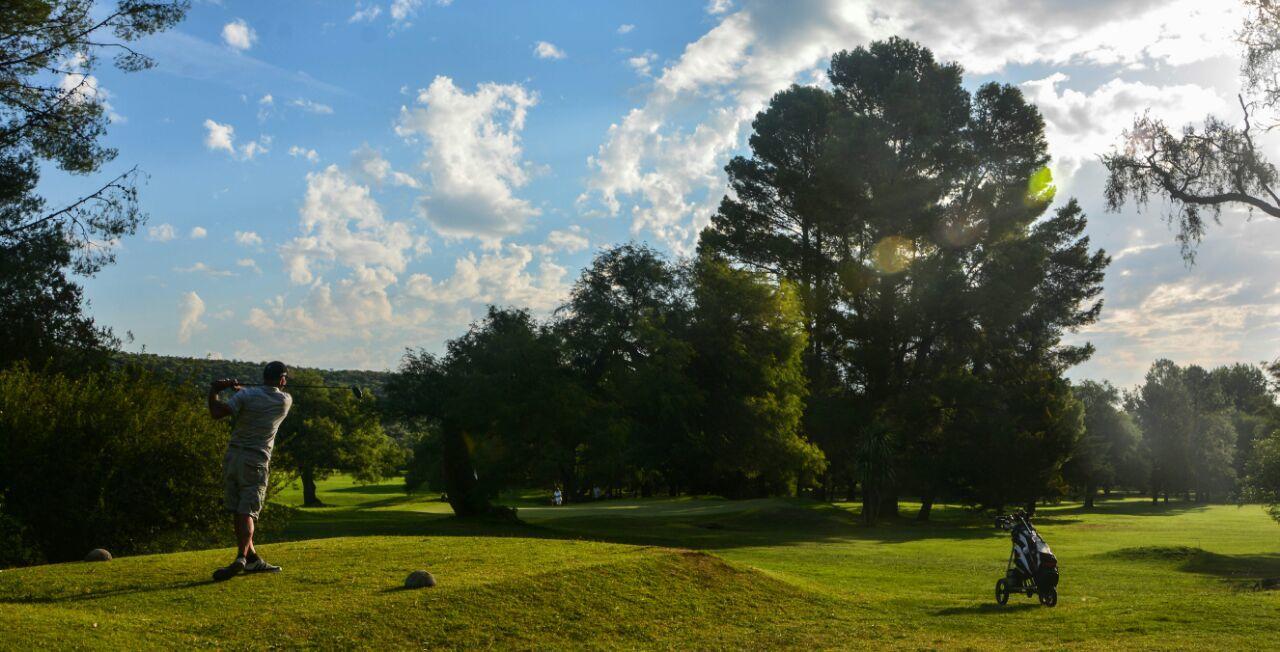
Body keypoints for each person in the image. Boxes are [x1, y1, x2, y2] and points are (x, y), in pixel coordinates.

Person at [207, 361, 294, 581]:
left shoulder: (246, 397)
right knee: (247, 510)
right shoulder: (285, 400)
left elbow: (217, 412)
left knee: (238, 508)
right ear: (282, 379)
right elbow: (262, 399)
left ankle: (252, 558)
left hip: (233, 457)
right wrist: (243, 392)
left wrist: (215, 391)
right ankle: (241, 557)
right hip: (255, 460)